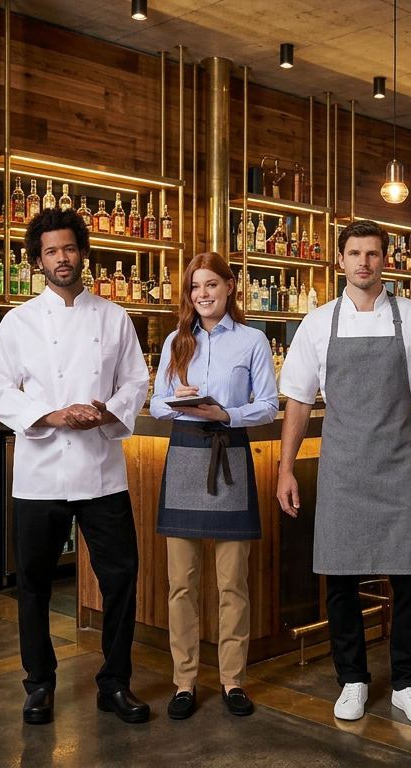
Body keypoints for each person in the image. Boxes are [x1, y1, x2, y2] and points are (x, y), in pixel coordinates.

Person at [275, 219, 411, 726]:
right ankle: (352, 679)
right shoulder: (316, 324)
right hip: (341, 467)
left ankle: (407, 683)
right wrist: (286, 468)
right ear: (340, 262)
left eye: (373, 254)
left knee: (409, 577)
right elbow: (297, 399)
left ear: (385, 260)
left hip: (401, 465)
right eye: (354, 253)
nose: (364, 262)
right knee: (341, 578)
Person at [0, 207, 152, 726]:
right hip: (39, 475)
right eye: (52, 251)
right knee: (33, 583)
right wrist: (51, 414)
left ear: (82, 253)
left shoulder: (113, 316)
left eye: (70, 248)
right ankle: (39, 685)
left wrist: (105, 413)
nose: (63, 258)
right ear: (38, 260)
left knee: (121, 578)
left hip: (101, 470)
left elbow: (136, 381)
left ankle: (115, 683)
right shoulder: (19, 321)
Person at [149, 252, 278, 721]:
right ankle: (184, 682)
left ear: (230, 286)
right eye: (195, 287)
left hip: (230, 455)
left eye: (211, 285)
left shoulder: (252, 341)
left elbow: (268, 406)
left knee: (232, 583)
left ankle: (232, 681)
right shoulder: (175, 341)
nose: (203, 294)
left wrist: (226, 413)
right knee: (180, 584)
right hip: (184, 455)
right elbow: (157, 404)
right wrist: (179, 401)